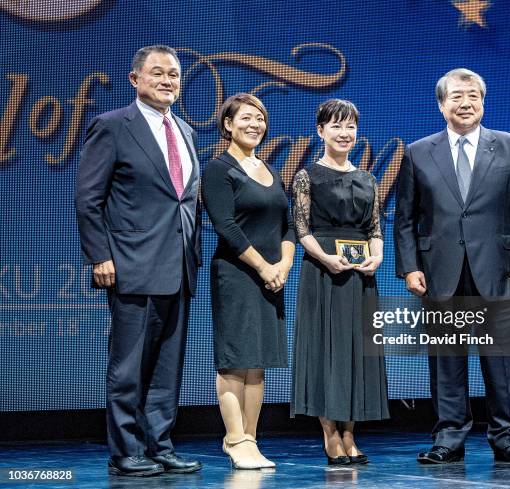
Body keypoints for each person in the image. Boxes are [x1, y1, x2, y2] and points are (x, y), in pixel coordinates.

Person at [394, 68, 510, 464]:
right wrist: (409, 267)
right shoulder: (418, 152)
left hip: (500, 269)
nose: (466, 103)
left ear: (483, 101)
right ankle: (449, 437)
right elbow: (406, 218)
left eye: (473, 95)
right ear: (441, 104)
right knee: (447, 360)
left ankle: (508, 436)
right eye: (457, 96)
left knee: (505, 360)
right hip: (440, 271)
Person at [75, 45, 202, 476]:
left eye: (174, 75)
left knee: (168, 368)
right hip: (132, 264)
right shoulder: (112, 126)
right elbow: (89, 199)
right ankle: (125, 449)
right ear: (135, 80)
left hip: (181, 266)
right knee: (128, 367)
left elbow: (185, 201)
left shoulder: (186, 131)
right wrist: (100, 256)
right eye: (158, 73)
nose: (167, 81)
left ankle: (160, 444)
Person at [291, 99, 389, 465]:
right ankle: (330, 434)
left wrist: (377, 256)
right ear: (320, 131)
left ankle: (350, 434)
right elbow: (302, 228)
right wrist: (324, 258)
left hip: (359, 276)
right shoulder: (307, 176)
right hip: (323, 271)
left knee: (354, 352)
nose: (344, 133)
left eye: (350, 127)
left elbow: (374, 228)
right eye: (336, 126)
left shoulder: (368, 178)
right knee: (324, 350)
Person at [202, 93, 295, 470]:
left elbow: (288, 224)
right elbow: (227, 228)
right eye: (246, 118)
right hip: (238, 275)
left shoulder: (270, 170)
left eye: (260, 118)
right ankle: (234, 438)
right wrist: (263, 267)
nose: (255, 124)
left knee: (257, 364)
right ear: (227, 124)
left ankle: (252, 440)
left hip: (272, 277)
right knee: (234, 362)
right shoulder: (218, 169)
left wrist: (284, 265)